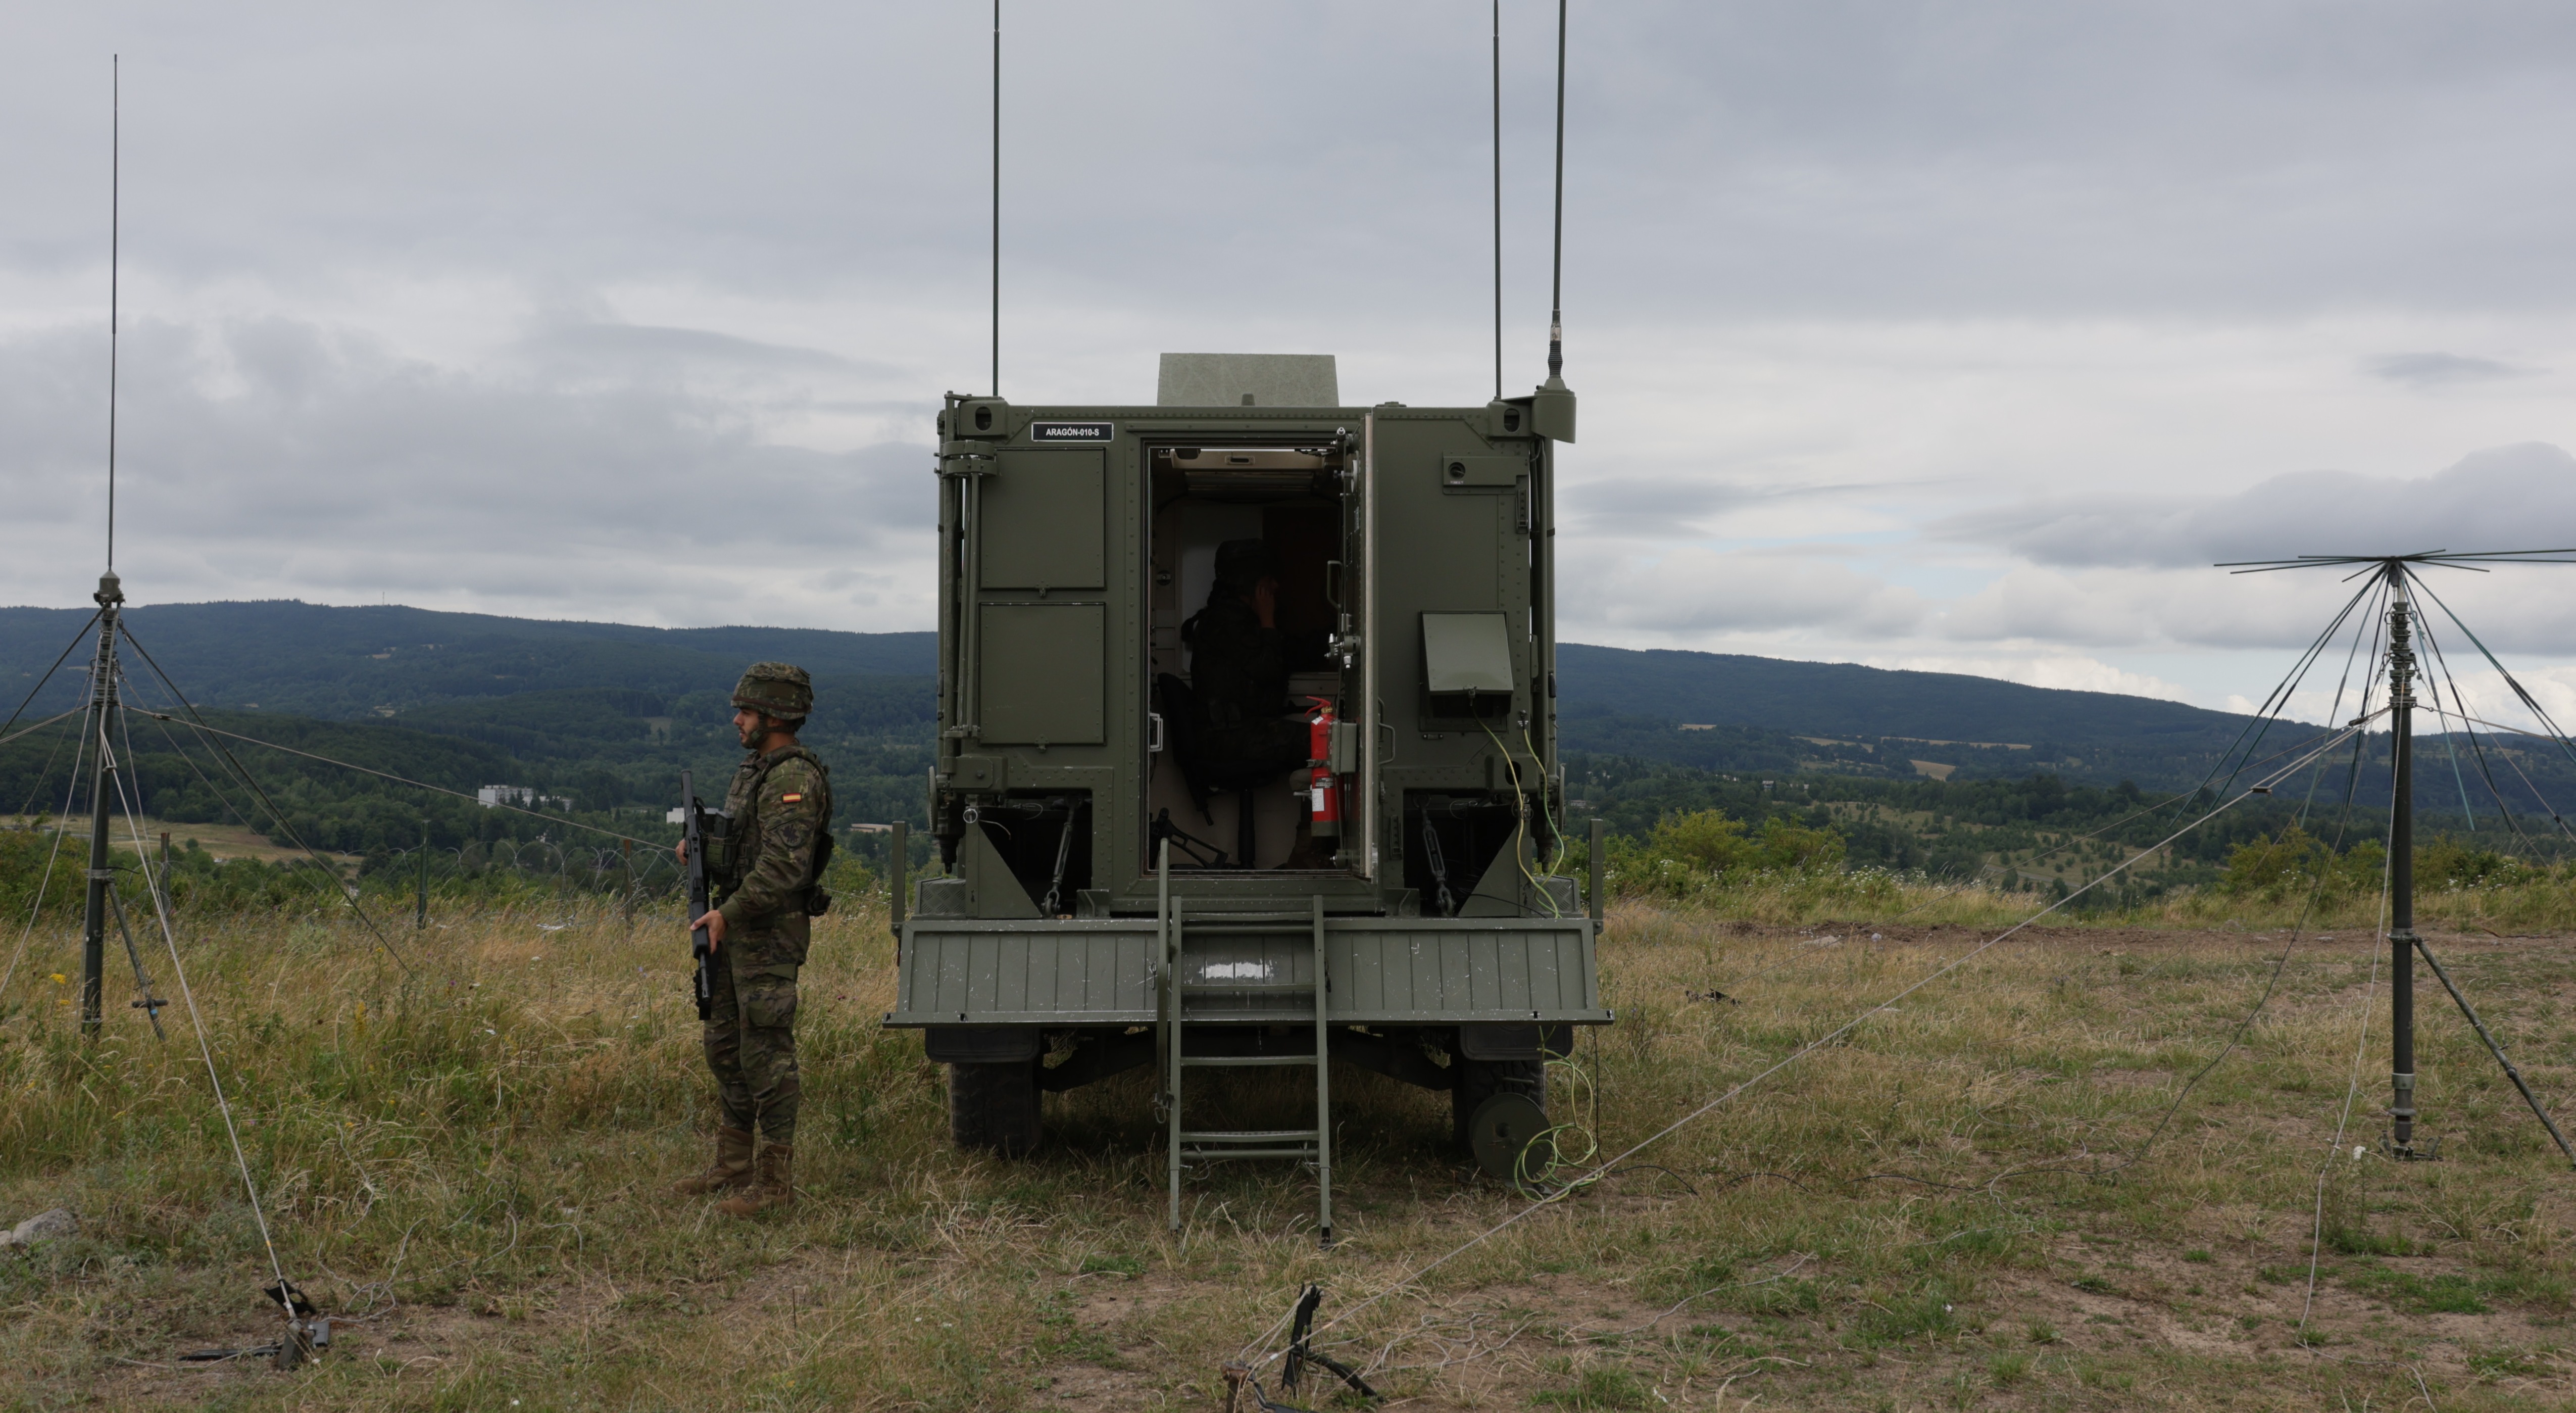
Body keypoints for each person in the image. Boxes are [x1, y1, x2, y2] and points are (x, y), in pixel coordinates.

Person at [671, 661, 834, 1215]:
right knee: (725, 1046)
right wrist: (701, 848)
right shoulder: (756, 770)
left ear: (775, 715)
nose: (737, 720)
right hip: (735, 927)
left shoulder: (794, 780)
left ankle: (775, 1184)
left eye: (745, 711)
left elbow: (784, 868)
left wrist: (729, 914)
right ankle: (734, 1163)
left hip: (768, 934)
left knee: (767, 1055)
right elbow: (745, 845)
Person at [1181, 539, 1330, 863]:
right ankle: (1308, 852)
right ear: (1251, 583)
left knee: (1328, 742)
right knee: (1329, 746)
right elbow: (1267, 669)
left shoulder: (1237, 620)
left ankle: (1312, 847)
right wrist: (1268, 620)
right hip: (1227, 739)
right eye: (1268, 581)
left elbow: (1287, 654)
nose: (1276, 587)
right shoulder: (1226, 623)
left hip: (1237, 732)